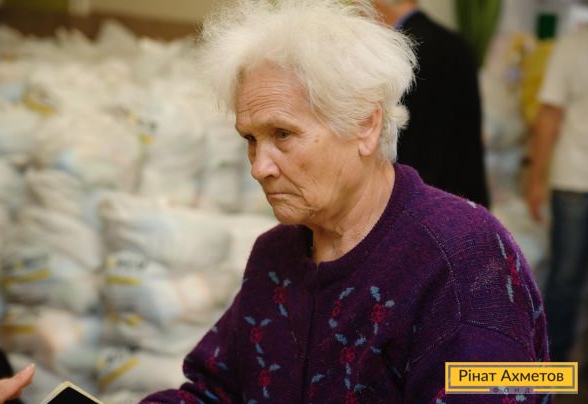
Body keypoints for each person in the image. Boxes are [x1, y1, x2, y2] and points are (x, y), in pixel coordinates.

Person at [142, 0, 548, 402]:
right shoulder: (275, 256)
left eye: (282, 134)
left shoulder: (467, 255)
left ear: (365, 125)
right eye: (250, 139)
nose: (259, 167)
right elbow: (216, 391)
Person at [372, 0, 490, 208]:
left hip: (414, 194)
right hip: (461, 191)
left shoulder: (396, 52)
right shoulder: (456, 43)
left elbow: (394, 131)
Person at [525, 26, 588, 363]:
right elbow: (548, 115)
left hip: (572, 181)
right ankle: (551, 367)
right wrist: (536, 179)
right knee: (565, 278)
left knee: (566, 278)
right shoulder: (571, 47)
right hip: (573, 179)